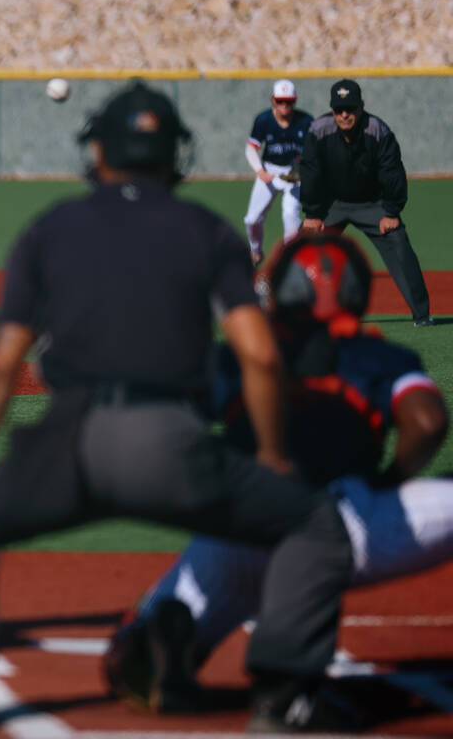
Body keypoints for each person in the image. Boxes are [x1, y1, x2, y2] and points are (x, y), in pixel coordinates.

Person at [0, 80, 356, 733]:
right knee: (315, 526)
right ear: (175, 157)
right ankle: (286, 699)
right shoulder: (205, 231)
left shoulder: (50, 228)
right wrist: (275, 455)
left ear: (99, 153)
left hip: (68, 443)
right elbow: (259, 356)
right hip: (174, 445)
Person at [103, 232, 450, 730]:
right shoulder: (378, 356)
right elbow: (427, 421)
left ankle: (161, 631)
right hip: (339, 521)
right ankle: (286, 689)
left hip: (233, 527)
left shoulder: (244, 353)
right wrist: (390, 480)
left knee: (132, 657)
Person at [299, 78, 434, 327]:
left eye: (350, 108)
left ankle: (422, 315)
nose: (345, 115)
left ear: (361, 106)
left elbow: (392, 172)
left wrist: (392, 211)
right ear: (332, 110)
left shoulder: (378, 130)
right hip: (332, 204)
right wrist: (312, 213)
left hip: (373, 204)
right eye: (339, 110)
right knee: (303, 245)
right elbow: (310, 171)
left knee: (398, 242)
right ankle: (295, 312)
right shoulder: (318, 130)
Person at [243, 79, 312, 266]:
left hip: (294, 175)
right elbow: (251, 149)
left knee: (290, 216)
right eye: (280, 101)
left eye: (288, 101)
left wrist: (302, 169)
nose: (284, 105)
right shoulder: (264, 120)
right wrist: (260, 171)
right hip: (270, 171)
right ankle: (256, 251)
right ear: (273, 100)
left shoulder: (305, 121)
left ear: (294, 101)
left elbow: (314, 151)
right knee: (252, 219)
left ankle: (291, 261)